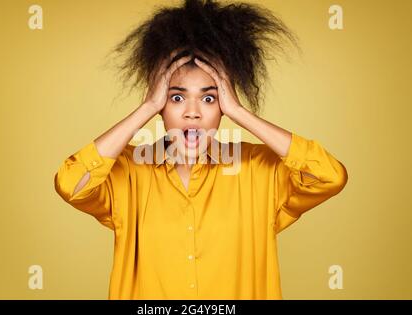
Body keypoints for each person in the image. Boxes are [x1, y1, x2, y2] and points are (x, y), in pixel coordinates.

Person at [54, 0, 348, 299]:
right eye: (177, 98)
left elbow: (329, 176)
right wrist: (146, 108)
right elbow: (71, 184)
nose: (192, 112)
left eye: (209, 99)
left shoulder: (259, 170)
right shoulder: (128, 170)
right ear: (160, 105)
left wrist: (240, 112)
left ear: (223, 104)